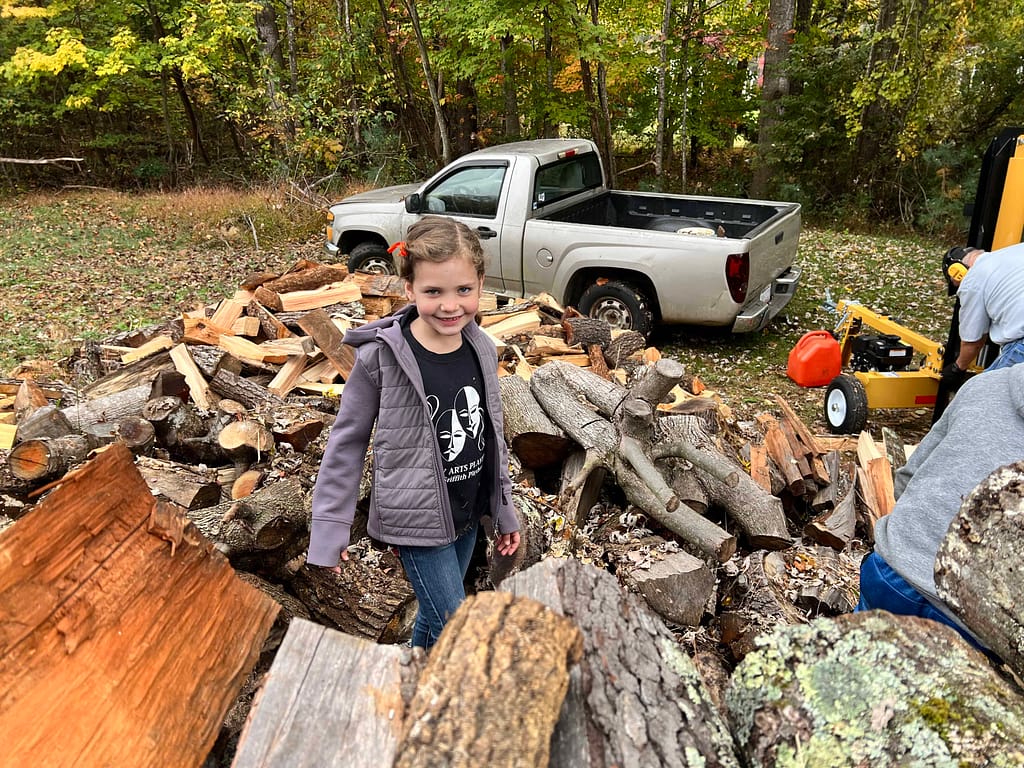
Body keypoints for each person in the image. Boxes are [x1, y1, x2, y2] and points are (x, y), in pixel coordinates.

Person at [307, 216, 521, 650]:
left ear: (480, 284)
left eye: (463, 290)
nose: (450, 305)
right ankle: (441, 706)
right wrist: (330, 527)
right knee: (455, 627)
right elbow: (346, 444)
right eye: (433, 292)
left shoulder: (480, 345)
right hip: (415, 520)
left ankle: (406, 686)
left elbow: (490, 431)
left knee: (431, 619)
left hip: (466, 509)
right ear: (408, 289)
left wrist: (502, 508)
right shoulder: (380, 360)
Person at [856, 361, 1024, 655]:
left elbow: (907, 478)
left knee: (846, 677)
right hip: (973, 621)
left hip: (891, 571)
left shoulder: (983, 385)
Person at [941, 241, 1024, 383]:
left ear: (957, 272)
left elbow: (972, 342)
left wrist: (958, 367)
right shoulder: (1013, 254)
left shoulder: (972, 279)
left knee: (984, 396)